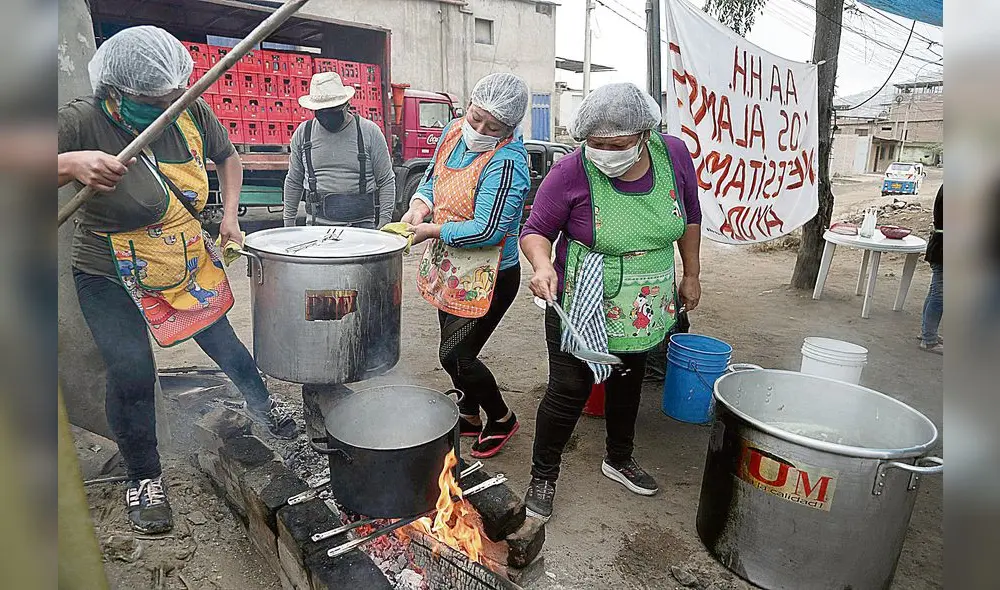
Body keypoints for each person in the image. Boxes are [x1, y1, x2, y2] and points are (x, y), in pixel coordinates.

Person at [57, 26, 297, 535]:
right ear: (117, 93)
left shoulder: (187, 107)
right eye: (156, 99)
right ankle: (145, 477)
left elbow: (227, 157)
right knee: (131, 371)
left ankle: (263, 404)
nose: (171, 103)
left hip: (181, 255)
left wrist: (230, 217)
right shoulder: (81, 119)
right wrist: (67, 162)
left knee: (224, 340)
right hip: (108, 268)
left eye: (175, 94)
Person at [519, 83, 703, 521]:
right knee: (568, 389)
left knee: (628, 377)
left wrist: (692, 274)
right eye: (595, 144)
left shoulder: (673, 154)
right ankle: (543, 475)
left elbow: (690, 216)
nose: (604, 153)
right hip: (584, 294)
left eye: (616, 145)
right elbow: (535, 230)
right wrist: (542, 266)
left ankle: (619, 458)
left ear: (643, 134)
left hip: (645, 296)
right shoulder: (570, 171)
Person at [400, 73, 531, 459]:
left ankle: (502, 418)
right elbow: (432, 178)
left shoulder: (508, 162)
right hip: (449, 268)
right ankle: (470, 413)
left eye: (493, 127)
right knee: (451, 346)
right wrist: (419, 206)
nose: (479, 130)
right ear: (468, 106)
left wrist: (430, 230)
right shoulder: (454, 132)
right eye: (476, 118)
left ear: (508, 128)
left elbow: (488, 230)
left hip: (489, 276)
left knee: (455, 355)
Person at [283, 72, 395, 228]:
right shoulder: (303, 133)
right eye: (321, 112)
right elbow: (294, 181)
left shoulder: (369, 132)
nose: (327, 117)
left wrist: (384, 225)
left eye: (333, 111)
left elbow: (386, 181)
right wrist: (288, 225)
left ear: (347, 105)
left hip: (360, 228)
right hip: (316, 228)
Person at [920, 185, 943, 354]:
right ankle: (929, 340)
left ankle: (927, 332)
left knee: (935, 292)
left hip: (940, 244)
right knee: (940, 295)